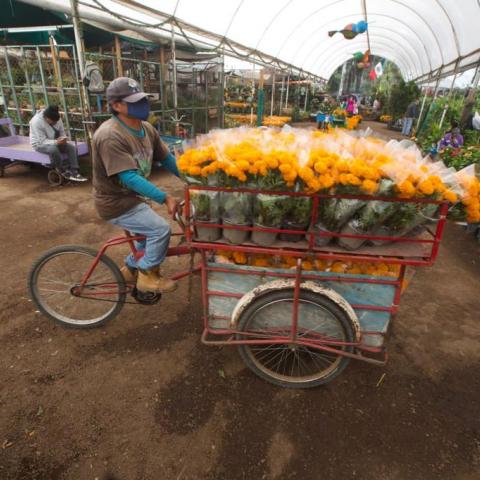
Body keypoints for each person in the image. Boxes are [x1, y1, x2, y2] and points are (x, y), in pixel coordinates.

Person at [92, 77, 180, 294]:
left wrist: (195, 181)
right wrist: (165, 197)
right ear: (116, 106)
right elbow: (129, 178)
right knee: (159, 230)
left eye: (142, 99)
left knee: (146, 238)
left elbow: (167, 159)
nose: (142, 105)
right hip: (115, 202)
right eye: (134, 101)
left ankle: (130, 269)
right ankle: (147, 276)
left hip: (134, 198)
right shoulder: (110, 135)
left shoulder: (147, 128)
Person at [29, 105, 87, 182]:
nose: (55, 123)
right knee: (53, 149)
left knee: (71, 147)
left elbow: (62, 131)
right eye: (53, 122)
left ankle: (74, 170)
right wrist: (56, 142)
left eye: (56, 122)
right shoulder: (36, 122)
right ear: (47, 118)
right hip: (39, 143)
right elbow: (42, 141)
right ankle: (61, 170)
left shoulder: (57, 118)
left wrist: (63, 138)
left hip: (54, 140)